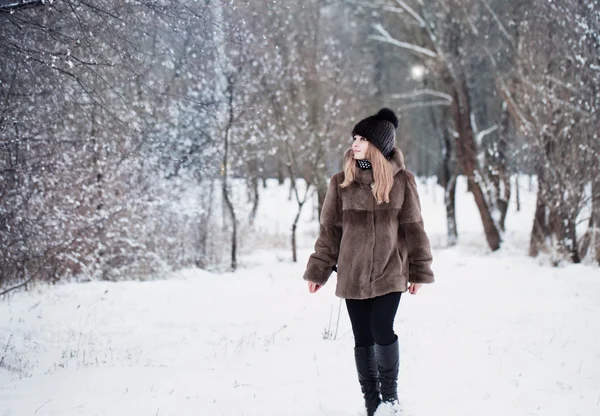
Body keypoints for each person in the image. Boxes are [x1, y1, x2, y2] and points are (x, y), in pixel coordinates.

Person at [302, 108, 434, 416]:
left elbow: (414, 228)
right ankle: (372, 403)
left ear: (378, 144)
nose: (355, 143)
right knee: (362, 336)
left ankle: (390, 398)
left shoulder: (402, 182)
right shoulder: (341, 183)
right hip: (352, 274)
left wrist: (419, 271)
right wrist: (319, 270)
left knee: (381, 328)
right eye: (355, 138)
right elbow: (330, 231)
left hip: (391, 270)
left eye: (362, 138)